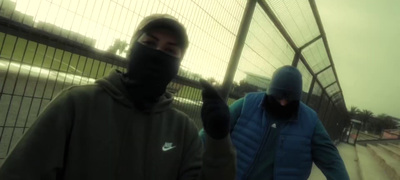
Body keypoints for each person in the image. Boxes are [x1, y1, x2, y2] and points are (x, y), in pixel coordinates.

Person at [0, 14, 235, 180]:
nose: (157, 54)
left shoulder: (183, 130)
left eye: (170, 51)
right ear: (132, 49)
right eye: (150, 43)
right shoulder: (76, 104)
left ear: (177, 64)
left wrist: (219, 140)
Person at [201, 65, 349, 180]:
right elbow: (207, 134)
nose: (283, 103)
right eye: (278, 97)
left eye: (289, 99)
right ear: (269, 92)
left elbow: (331, 161)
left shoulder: (310, 122)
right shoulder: (246, 105)